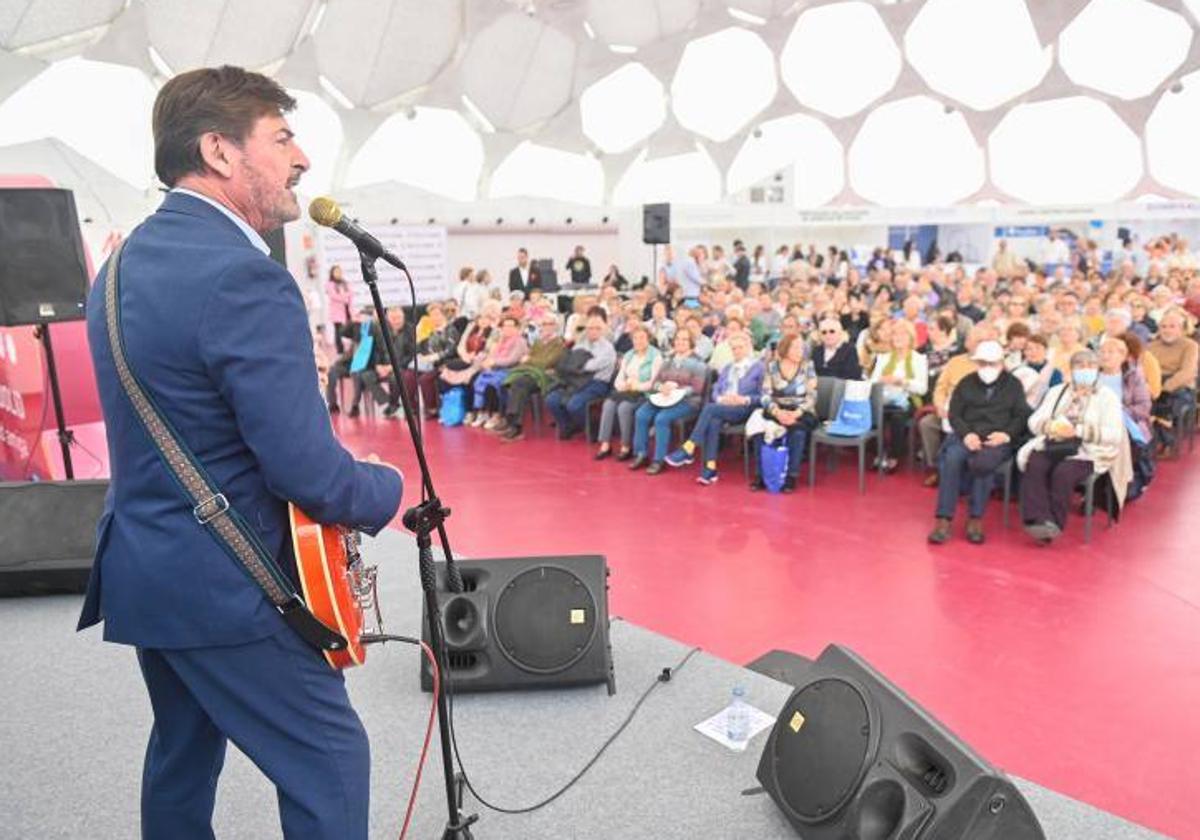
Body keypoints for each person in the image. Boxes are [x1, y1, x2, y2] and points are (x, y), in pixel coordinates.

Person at [79, 66, 403, 840]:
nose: (302, 159)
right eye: (282, 137)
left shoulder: (121, 264)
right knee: (329, 758)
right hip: (230, 589)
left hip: (147, 568)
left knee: (183, 759)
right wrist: (386, 489)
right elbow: (307, 473)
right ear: (221, 152)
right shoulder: (242, 277)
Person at [1018, 350, 1130, 543]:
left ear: (1097, 370)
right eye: (1080, 366)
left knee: (1063, 472)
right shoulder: (1057, 391)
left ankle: (1053, 524)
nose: (1085, 370)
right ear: (1072, 369)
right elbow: (1034, 420)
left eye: (1090, 366)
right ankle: (1037, 518)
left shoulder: (1107, 397)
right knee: (1035, 462)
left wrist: (1078, 431)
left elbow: (1113, 435)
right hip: (1056, 444)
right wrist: (1050, 426)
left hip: (1089, 451)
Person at [927, 341, 1029, 545]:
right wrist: (966, 434)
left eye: (992, 363)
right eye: (983, 363)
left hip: (997, 438)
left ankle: (976, 518)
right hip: (967, 435)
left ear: (1001, 362)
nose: (987, 367)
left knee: (983, 463)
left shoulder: (1014, 385)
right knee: (951, 458)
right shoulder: (966, 383)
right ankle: (943, 518)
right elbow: (955, 414)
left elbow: (1020, 416)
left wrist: (1006, 435)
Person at [665, 332, 765, 485]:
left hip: (745, 408)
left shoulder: (759, 367)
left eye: (740, 348)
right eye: (734, 348)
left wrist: (744, 399)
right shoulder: (728, 367)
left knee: (710, 409)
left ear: (748, 347)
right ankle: (710, 469)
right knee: (713, 420)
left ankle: (689, 448)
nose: (737, 351)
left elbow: (763, 396)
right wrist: (721, 398)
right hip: (723, 406)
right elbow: (716, 389)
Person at [631, 330, 708, 474]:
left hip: (688, 401)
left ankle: (658, 460)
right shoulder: (667, 360)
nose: (680, 342)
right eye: (678, 339)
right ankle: (641, 453)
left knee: (662, 418)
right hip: (664, 397)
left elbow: (697, 388)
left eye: (684, 339)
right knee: (641, 414)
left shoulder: (699, 363)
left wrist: (676, 389)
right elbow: (656, 382)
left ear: (691, 343)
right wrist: (661, 387)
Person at [747, 333, 817, 493]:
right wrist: (777, 412)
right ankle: (761, 476)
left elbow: (812, 395)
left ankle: (791, 477)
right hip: (777, 409)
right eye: (796, 347)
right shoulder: (772, 367)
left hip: (801, 410)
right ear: (786, 349)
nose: (801, 350)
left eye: (802, 347)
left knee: (797, 432)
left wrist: (796, 413)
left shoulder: (808, 366)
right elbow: (765, 395)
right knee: (760, 431)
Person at [496, 314, 568, 441]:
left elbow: (547, 362)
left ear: (556, 326)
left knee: (520, 384)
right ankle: (509, 420)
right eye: (543, 324)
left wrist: (530, 359)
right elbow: (526, 360)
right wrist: (532, 360)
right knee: (507, 382)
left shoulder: (560, 343)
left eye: (549, 324)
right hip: (532, 372)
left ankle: (516, 427)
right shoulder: (538, 342)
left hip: (547, 376)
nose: (546, 327)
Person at [870, 320, 929, 472]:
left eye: (902, 334)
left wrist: (902, 381)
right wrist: (882, 380)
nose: (898, 337)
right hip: (884, 397)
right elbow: (872, 382)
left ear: (910, 338)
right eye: (895, 333)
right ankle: (879, 452)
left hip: (907, 399)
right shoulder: (883, 358)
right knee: (876, 412)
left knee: (897, 416)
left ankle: (894, 456)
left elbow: (922, 389)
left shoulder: (919, 359)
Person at [595, 326, 662, 460]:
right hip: (627, 391)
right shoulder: (629, 355)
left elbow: (653, 383)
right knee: (608, 404)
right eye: (635, 338)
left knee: (624, 407)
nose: (638, 341)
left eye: (642, 338)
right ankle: (605, 444)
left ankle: (626, 446)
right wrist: (623, 386)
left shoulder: (656, 356)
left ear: (648, 339)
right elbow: (619, 378)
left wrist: (636, 386)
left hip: (645, 393)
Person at [546, 313, 616, 439]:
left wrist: (574, 366)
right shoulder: (581, 344)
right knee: (552, 399)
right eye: (590, 328)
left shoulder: (607, 349)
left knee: (574, 405)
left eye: (597, 328)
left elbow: (589, 367)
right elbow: (570, 363)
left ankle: (590, 427)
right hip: (574, 381)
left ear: (603, 329)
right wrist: (575, 366)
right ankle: (568, 425)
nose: (593, 331)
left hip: (597, 383)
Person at [1147, 307, 1199, 452]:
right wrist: (1152, 386)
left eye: (1172, 326)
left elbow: (1187, 372)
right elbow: (1144, 369)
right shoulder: (1151, 346)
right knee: (1143, 403)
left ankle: (1166, 442)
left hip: (1179, 386)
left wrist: (1164, 388)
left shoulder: (1190, 345)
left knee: (1165, 405)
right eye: (1163, 327)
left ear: (1181, 329)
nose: (1167, 330)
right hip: (1154, 383)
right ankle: (1158, 440)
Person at [467, 315, 528, 428]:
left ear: (517, 328)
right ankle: (482, 412)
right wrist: (485, 361)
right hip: (496, 368)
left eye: (510, 326)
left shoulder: (520, 341)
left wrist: (493, 362)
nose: (507, 329)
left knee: (492, 386)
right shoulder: (501, 341)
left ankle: (497, 415)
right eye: (505, 326)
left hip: (511, 370)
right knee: (475, 379)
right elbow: (492, 354)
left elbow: (512, 360)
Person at [358, 306, 415, 419]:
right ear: (387, 319)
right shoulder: (381, 330)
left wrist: (392, 367)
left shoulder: (410, 330)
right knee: (366, 375)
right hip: (383, 365)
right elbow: (377, 350)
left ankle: (393, 404)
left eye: (399, 317)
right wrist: (378, 365)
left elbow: (411, 355)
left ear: (403, 317)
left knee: (395, 378)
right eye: (393, 318)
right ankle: (387, 402)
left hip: (401, 366)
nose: (396, 321)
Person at [407, 302, 459, 417]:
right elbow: (421, 348)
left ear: (443, 315)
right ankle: (411, 407)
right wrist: (419, 336)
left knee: (425, 379)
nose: (435, 318)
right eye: (432, 315)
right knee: (408, 375)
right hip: (427, 362)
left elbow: (451, 350)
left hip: (443, 363)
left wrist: (435, 357)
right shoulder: (429, 330)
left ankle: (432, 408)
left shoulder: (450, 329)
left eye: (437, 314)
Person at [325, 265, 353, 354]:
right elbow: (334, 296)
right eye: (336, 272)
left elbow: (351, 293)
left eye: (339, 272)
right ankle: (340, 350)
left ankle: (352, 348)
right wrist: (345, 297)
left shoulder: (345, 283)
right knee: (338, 331)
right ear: (332, 273)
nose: (338, 273)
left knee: (351, 329)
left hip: (347, 310)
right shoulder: (329, 284)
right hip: (336, 312)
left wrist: (345, 297)